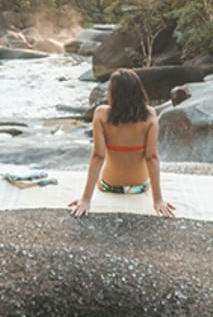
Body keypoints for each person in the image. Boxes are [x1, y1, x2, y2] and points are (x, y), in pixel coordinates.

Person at [70, 68, 175, 218]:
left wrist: (85, 200)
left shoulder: (101, 114)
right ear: (138, 90)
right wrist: (158, 200)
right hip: (140, 187)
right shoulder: (149, 114)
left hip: (109, 185)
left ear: (113, 92)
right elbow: (151, 157)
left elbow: (98, 157)